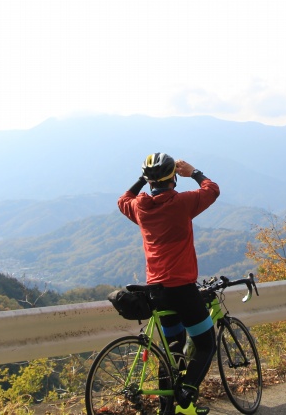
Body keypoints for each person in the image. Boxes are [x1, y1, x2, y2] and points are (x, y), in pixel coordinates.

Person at [118, 152, 220, 415]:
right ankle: (186, 393)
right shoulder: (182, 203)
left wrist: (141, 181)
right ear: (173, 177)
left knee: (173, 352)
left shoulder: (140, 209)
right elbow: (212, 189)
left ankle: (167, 409)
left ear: (150, 181)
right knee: (206, 342)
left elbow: (122, 200)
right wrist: (193, 172)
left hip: (156, 291)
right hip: (183, 290)